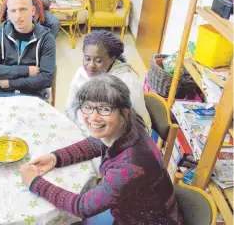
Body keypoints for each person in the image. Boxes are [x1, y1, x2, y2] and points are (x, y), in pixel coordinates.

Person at [20, 74, 183, 225]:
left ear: (124, 112)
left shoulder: (130, 168)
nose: (93, 117)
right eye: (88, 107)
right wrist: (55, 158)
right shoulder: (128, 124)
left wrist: (34, 183)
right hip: (144, 210)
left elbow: (81, 206)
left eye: (105, 109)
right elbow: (96, 142)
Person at [65, 30, 151, 129]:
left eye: (98, 61)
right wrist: (80, 128)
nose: (91, 65)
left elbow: (140, 123)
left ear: (112, 59)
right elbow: (70, 106)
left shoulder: (127, 83)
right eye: (87, 58)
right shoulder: (81, 73)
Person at [0, 0, 56, 100]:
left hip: (34, 96)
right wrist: (27, 70)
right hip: (3, 95)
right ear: (8, 14)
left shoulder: (46, 38)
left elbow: (47, 78)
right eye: (13, 11)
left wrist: (10, 83)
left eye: (23, 9)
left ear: (32, 11)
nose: (18, 16)